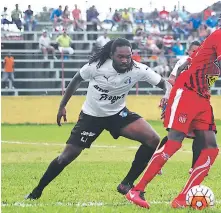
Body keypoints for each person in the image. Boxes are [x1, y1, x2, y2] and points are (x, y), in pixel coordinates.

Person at [126, 8, 221, 209]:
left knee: (211, 148)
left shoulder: (217, 38)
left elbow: (201, 57)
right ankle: (136, 190)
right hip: (187, 93)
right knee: (174, 142)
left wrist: (190, 63)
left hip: (202, 99)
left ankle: (183, 198)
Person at [25, 38, 172, 200]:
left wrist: (167, 94)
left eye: (128, 56)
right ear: (111, 55)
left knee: (152, 139)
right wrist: (62, 106)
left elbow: (165, 84)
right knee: (66, 157)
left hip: (118, 114)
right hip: (91, 117)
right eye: (120, 57)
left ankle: (127, 183)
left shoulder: (138, 69)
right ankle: (37, 191)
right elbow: (76, 79)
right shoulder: (96, 67)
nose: (124, 60)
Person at [159, 40, 201, 174]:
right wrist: (167, 97)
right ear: (188, 51)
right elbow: (172, 81)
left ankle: (194, 167)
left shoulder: (203, 63)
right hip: (180, 103)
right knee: (174, 135)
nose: (196, 53)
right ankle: (157, 161)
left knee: (201, 134)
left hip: (196, 104)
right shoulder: (183, 61)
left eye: (199, 51)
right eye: (194, 50)